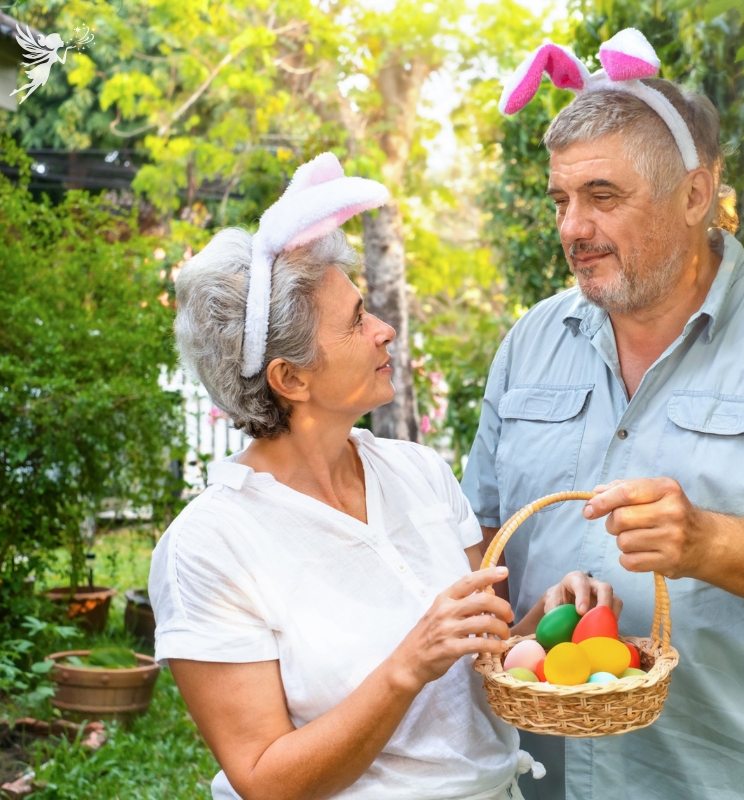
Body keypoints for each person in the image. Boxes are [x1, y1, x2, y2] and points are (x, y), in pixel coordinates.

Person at [463, 30, 744, 800]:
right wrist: (520, 620)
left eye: (602, 197)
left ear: (696, 194)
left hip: (721, 780)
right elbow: (479, 540)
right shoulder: (530, 342)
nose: (573, 228)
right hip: (539, 777)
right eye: (562, 200)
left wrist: (705, 541)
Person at [149, 153, 621, 800]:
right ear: (291, 379)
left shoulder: (418, 474)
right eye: (356, 320)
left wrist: (544, 623)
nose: (385, 330)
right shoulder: (210, 545)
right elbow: (264, 778)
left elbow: (482, 660)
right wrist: (406, 666)